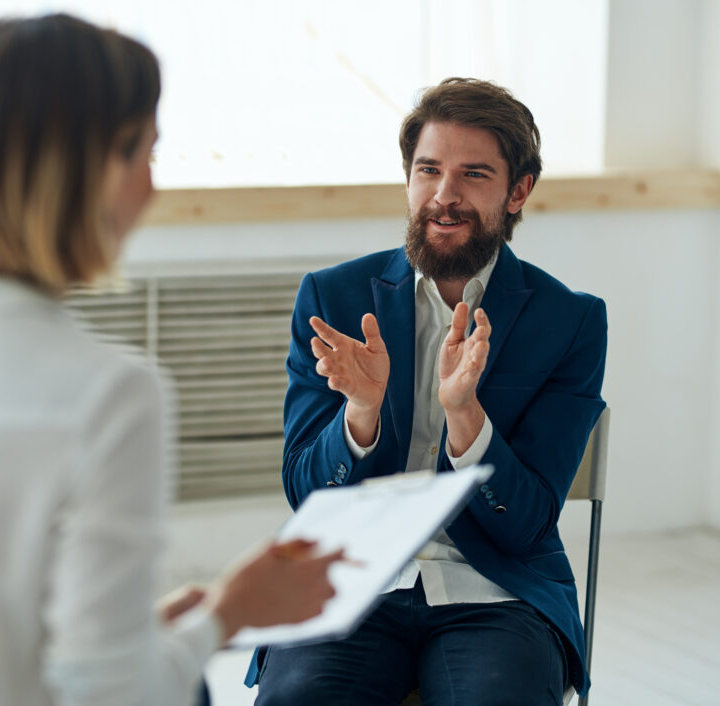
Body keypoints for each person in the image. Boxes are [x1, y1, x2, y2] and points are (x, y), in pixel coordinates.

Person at [0, 14, 342, 706]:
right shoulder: (109, 393)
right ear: (82, 167)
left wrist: (144, 630)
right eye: (143, 154)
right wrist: (229, 614)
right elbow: (112, 696)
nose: (151, 190)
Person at [246, 78, 608, 705]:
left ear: (517, 191)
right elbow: (305, 494)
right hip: (349, 579)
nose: (444, 196)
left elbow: (525, 525)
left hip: (498, 589)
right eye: (428, 170)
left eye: (473, 174)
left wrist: (466, 417)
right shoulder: (333, 298)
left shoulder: (570, 322)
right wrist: (359, 413)